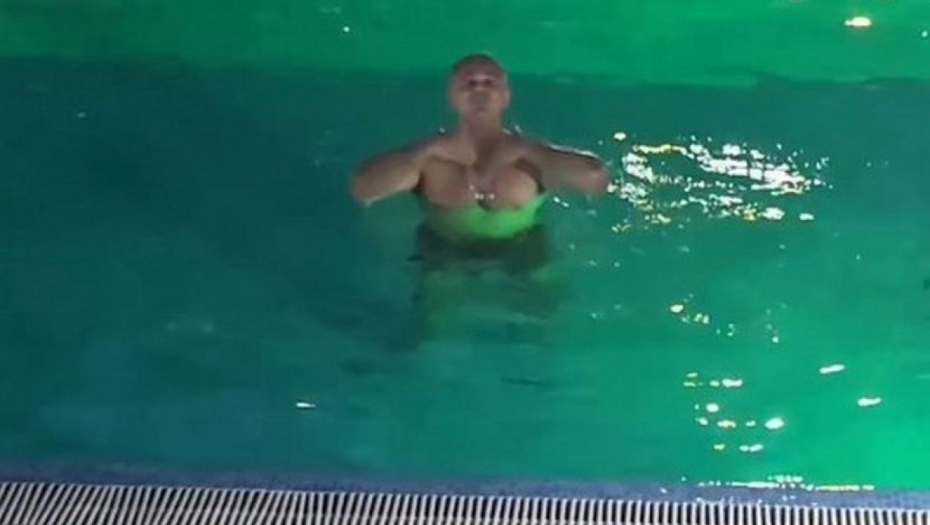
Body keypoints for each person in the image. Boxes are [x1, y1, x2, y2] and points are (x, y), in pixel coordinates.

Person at [350, 53, 609, 347]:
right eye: (469, 83)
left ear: (505, 96)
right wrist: (422, 151)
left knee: (548, 322)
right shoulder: (432, 161)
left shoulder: (528, 159)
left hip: (522, 246)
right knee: (428, 329)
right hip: (445, 249)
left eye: (489, 82)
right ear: (451, 97)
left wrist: (527, 150)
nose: (479, 89)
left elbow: (595, 180)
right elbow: (363, 188)